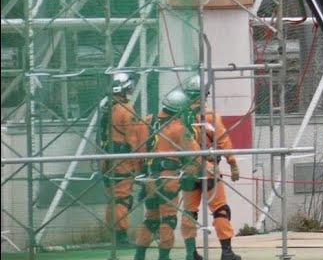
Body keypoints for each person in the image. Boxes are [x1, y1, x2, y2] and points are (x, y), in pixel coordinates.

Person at [134, 88, 201, 260]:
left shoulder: (147, 122)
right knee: (168, 219)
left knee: (151, 218)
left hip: (149, 178)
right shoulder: (179, 128)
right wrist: (195, 171)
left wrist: (140, 173)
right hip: (168, 178)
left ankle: (139, 255)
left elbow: (138, 149)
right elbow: (194, 154)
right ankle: (164, 257)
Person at [180, 76, 242, 260]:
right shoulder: (210, 116)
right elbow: (223, 140)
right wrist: (233, 164)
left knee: (189, 212)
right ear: (205, 94)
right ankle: (227, 251)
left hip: (188, 171)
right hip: (208, 170)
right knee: (220, 209)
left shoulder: (179, 116)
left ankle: (190, 253)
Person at [99, 72, 149, 250]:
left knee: (113, 197)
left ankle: (114, 233)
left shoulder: (107, 107)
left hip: (108, 158)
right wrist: (140, 164)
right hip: (122, 160)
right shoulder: (126, 109)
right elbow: (133, 140)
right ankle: (120, 236)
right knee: (122, 198)